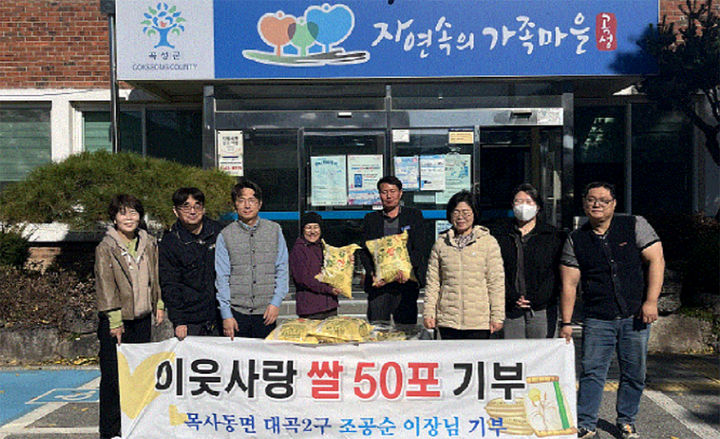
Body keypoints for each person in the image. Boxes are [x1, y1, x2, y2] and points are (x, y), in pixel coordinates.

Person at [560, 182, 664, 439]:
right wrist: (566, 322)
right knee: (592, 372)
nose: (597, 204)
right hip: (598, 317)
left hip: (635, 315)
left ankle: (626, 420)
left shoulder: (634, 224)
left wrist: (651, 301)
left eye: (603, 200)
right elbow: (569, 283)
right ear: (584, 204)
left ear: (614, 204)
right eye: (591, 200)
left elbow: (656, 260)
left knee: (634, 372)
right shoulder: (576, 238)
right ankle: (586, 423)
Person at [95, 194, 164, 439]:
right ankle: (110, 431)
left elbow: (154, 277)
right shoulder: (107, 246)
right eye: (123, 213)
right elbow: (105, 285)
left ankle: (133, 428)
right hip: (117, 323)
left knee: (138, 377)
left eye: (133, 212)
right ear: (114, 217)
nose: (129, 218)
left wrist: (159, 303)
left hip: (142, 319)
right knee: (113, 381)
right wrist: (114, 321)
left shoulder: (149, 242)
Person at [423, 190, 505, 339]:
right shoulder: (441, 243)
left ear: (474, 213)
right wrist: (429, 312)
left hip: (479, 321)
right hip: (448, 320)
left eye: (466, 212)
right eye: (456, 212)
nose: (461, 217)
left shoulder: (488, 242)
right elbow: (433, 282)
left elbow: (496, 283)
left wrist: (497, 316)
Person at [215, 178, 289, 339]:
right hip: (236, 312)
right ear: (235, 204)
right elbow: (222, 277)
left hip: (266, 312)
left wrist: (276, 303)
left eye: (251, 200)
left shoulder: (274, 230)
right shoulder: (225, 235)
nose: (247, 205)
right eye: (241, 201)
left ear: (259, 204)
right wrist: (226, 314)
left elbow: (282, 269)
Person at [491, 183, 564, 339]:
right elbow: (495, 270)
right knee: (512, 355)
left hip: (542, 309)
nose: (523, 206)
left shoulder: (552, 236)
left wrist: (538, 297)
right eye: (518, 201)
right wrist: (511, 296)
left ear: (538, 207)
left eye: (529, 202)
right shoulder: (500, 234)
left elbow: (555, 274)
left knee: (541, 355)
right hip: (510, 307)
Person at [359, 175, 427, 324]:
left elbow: (420, 248)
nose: (388, 196)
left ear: (400, 193)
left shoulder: (413, 216)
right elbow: (364, 251)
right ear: (379, 194)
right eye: (384, 192)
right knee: (378, 330)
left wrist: (406, 270)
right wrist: (372, 272)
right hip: (379, 287)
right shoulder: (371, 219)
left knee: (405, 330)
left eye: (392, 191)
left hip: (405, 284)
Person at [159, 187, 223, 339]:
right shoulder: (170, 242)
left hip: (221, 315)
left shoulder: (219, 232)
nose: (192, 211)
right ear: (175, 211)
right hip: (190, 320)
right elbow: (170, 283)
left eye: (197, 206)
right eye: (186, 207)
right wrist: (179, 320)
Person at [289, 212, 343, 319]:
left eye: (316, 227)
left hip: (330, 306)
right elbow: (304, 279)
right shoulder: (298, 250)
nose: (312, 232)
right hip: (310, 309)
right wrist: (329, 290)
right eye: (308, 228)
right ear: (303, 230)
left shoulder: (324, 247)